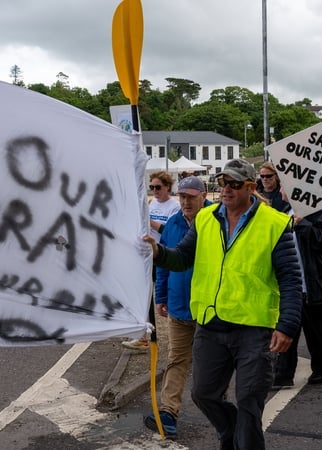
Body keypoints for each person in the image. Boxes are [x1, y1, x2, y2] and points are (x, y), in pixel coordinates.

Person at [143, 159, 302, 450]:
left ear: (251, 188)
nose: (226, 189)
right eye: (222, 182)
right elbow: (181, 258)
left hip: (254, 329)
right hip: (211, 324)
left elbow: (292, 279)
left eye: (235, 184)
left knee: (249, 402)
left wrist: (287, 325)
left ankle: (243, 441)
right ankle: (230, 430)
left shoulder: (275, 224)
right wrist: (157, 252)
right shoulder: (206, 219)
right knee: (203, 394)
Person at [143, 176, 210, 440]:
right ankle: (168, 413)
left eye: (191, 196)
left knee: (211, 363)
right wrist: (161, 296)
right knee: (176, 360)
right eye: (182, 196)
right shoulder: (173, 224)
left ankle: (220, 406)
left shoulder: (216, 223)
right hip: (179, 306)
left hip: (209, 308)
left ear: (204, 196)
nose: (185, 201)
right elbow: (164, 262)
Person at [273, 208, 322, 388]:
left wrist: (303, 224)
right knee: (286, 329)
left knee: (319, 333)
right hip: (288, 286)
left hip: (314, 285)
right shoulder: (279, 210)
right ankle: (283, 374)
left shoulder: (316, 212)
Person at [123, 170, 181, 350]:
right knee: (144, 295)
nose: (155, 191)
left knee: (166, 295)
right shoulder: (151, 203)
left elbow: (169, 231)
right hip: (148, 255)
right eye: (152, 187)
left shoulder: (174, 207)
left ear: (168, 187)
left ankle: (177, 336)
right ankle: (144, 336)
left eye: (158, 187)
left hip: (165, 254)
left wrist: (150, 222)